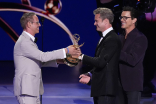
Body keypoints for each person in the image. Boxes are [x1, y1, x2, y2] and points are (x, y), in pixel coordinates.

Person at [13, 12, 81, 104]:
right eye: (37, 22)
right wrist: (66, 50)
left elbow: (40, 61)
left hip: (32, 89)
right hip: (26, 90)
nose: (39, 25)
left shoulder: (28, 41)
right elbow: (43, 57)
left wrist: (63, 60)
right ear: (29, 24)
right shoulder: (24, 42)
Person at [79, 8, 121, 104]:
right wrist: (90, 74)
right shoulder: (105, 37)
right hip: (101, 88)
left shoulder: (112, 39)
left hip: (106, 89)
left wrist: (80, 57)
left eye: (96, 21)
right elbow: (104, 64)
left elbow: (101, 62)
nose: (94, 23)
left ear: (105, 21)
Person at [116, 6, 148, 104]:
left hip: (132, 84)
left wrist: (115, 51)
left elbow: (133, 59)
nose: (122, 20)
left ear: (134, 20)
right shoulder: (119, 37)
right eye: (121, 17)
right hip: (117, 84)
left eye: (126, 18)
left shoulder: (140, 38)